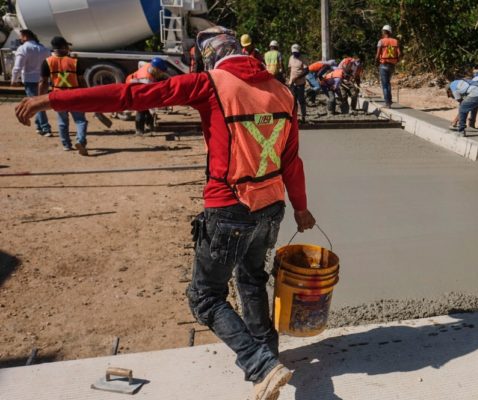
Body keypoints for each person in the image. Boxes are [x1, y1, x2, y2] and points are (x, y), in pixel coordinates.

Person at [15, 26, 316, 400]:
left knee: (204, 297)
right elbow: (291, 160)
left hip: (229, 207)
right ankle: (268, 355)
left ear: (207, 55)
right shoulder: (282, 91)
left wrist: (55, 100)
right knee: (252, 279)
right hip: (272, 206)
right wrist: (301, 208)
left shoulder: (211, 83)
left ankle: (261, 366)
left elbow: (132, 95)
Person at [39, 36, 88, 155]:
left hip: (58, 95)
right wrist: (87, 93)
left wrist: (40, 97)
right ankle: (80, 141)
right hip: (74, 94)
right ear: (64, 47)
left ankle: (66, 144)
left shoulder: (47, 62)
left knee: (62, 121)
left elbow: (44, 82)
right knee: (80, 121)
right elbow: (81, 80)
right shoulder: (75, 61)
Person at [11, 29, 51, 136]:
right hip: (43, 79)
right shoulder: (43, 48)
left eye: (21, 36)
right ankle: (39, 126)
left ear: (25, 36)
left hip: (30, 79)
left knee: (36, 104)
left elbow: (18, 67)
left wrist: (14, 79)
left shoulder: (23, 48)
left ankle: (45, 128)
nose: (20, 38)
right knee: (40, 103)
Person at [126, 57, 170, 135]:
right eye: (161, 71)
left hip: (137, 83)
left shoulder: (149, 64)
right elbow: (148, 98)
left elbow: (139, 62)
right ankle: (139, 130)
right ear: (156, 69)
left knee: (146, 109)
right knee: (141, 109)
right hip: (133, 88)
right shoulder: (147, 80)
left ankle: (149, 125)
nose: (162, 73)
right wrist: (153, 110)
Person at [375, 25, 399, 108]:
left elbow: (378, 55)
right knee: (388, 83)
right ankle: (390, 100)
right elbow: (400, 53)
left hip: (383, 64)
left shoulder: (381, 41)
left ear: (384, 32)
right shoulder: (395, 41)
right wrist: (396, 60)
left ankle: (387, 103)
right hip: (392, 65)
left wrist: (376, 63)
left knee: (385, 85)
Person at [287, 44, 308, 123]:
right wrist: (290, 78)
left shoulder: (303, 59)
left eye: (296, 53)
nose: (295, 54)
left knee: (301, 100)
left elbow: (306, 71)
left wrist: (298, 77)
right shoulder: (291, 58)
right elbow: (290, 69)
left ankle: (303, 116)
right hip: (292, 83)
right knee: (293, 101)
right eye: (294, 53)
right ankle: (293, 117)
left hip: (300, 83)